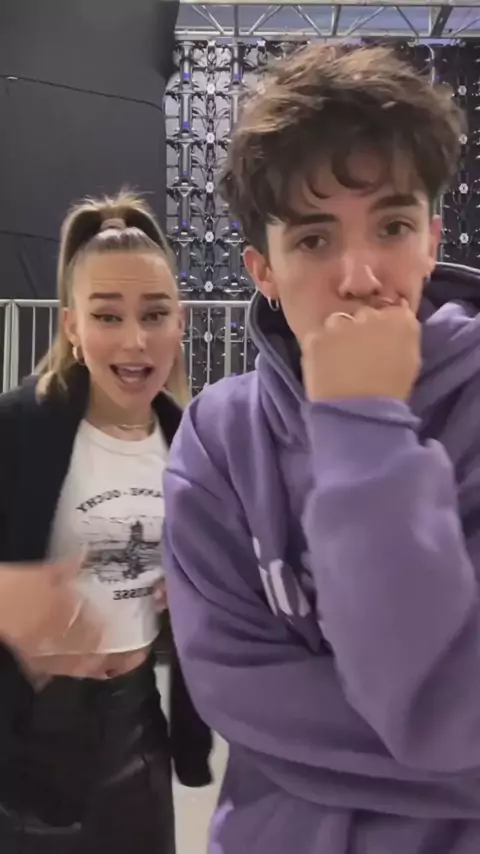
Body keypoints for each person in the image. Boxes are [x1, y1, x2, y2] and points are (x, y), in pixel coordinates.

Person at [162, 43, 480, 854]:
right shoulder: (218, 442)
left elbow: (444, 706)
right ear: (261, 269)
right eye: (312, 241)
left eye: (393, 226)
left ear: (432, 239)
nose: (361, 276)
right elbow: (235, 695)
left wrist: (360, 419)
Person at [0, 190, 212, 853]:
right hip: (25, 744)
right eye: (107, 315)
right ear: (71, 326)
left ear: (180, 322)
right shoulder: (17, 426)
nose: (134, 340)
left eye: (154, 314)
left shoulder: (194, 445)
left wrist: (198, 592)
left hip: (139, 731)